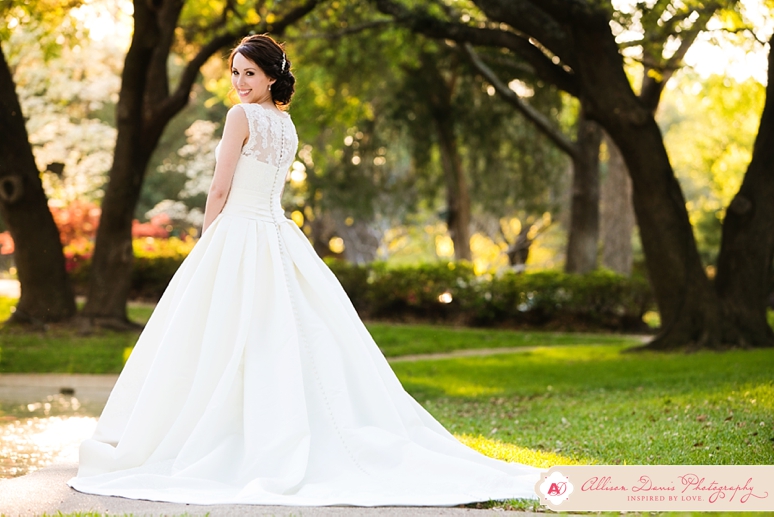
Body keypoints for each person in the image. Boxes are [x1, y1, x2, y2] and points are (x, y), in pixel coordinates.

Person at [67, 34, 542, 507]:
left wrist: (206, 243)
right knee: (280, 336)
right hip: (276, 235)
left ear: (271, 76)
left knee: (224, 336)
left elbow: (219, 189)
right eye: (235, 73)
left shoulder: (240, 117)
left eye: (250, 73)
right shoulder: (286, 125)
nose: (240, 83)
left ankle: (219, 436)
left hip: (238, 233)